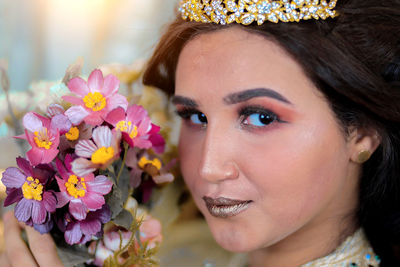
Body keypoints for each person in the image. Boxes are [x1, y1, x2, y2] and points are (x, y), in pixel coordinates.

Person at [2, 0, 399, 266]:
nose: (208, 168)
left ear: (362, 133)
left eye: (259, 117)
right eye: (194, 116)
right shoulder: (173, 249)